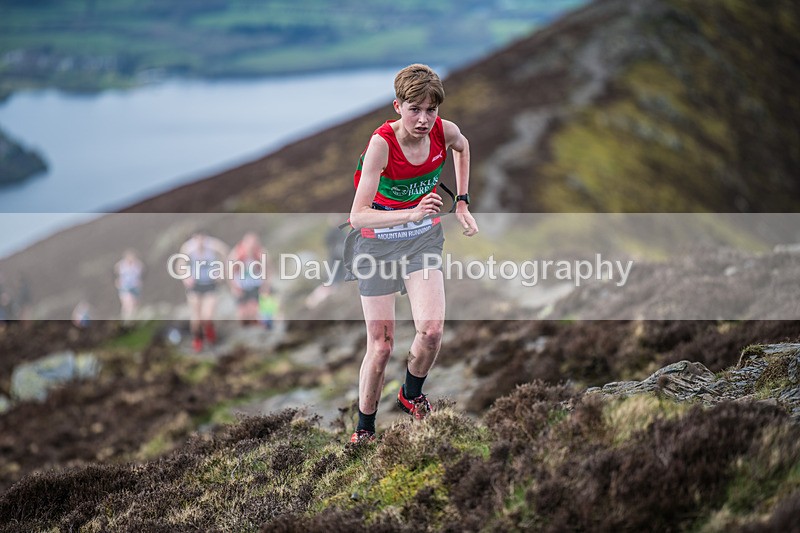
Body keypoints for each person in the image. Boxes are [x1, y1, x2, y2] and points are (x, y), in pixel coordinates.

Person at [346, 64, 479, 443]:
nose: (423, 119)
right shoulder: (382, 144)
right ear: (397, 106)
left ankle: (411, 394)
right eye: (414, 109)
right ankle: (365, 429)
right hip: (376, 244)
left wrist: (463, 202)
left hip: (422, 241)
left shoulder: (443, 131)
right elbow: (357, 216)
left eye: (431, 110)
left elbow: (463, 146)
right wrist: (412, 212)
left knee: (433, 331)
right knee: (382, 347)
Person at [177, 231, 230, 352]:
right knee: (196, 316)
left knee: (208, 315)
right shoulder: (188, 248)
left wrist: (221, 270)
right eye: (197, 239)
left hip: (210, 283)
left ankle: (210, 333)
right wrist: (185, 277)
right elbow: (179, 265)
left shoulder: (213, 245)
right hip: (195, 285)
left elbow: (227, 253)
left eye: (202, 238)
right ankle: (197, 340)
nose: (200, 242)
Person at [228, 232, 267, 325]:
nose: (251, 246)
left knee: (255, 308)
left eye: (254, 244)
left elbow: (268, 270)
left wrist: (265, 286)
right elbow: (229, 273)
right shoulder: (237, 254)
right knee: (242, 313)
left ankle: (259, 324)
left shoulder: (260, 253)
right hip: (241, 285)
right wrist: (234, 287)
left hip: (255, 284)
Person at [114, 249, 144, 323]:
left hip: (134, 286)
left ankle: (134, 319)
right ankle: (126, 319)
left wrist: (140, 281)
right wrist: (117, 281)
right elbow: (115, 274)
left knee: (135, 303)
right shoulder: (120, 265)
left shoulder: (138, 265)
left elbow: (142, 274)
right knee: (127, 302)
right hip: (125, 286)